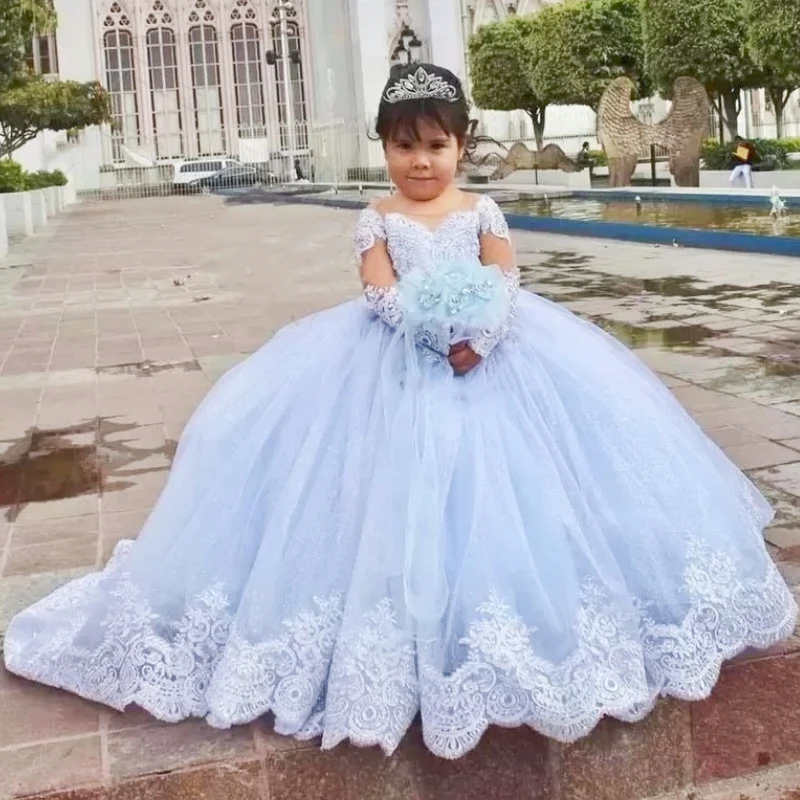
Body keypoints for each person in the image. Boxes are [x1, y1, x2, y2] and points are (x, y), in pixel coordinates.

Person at [4, 63, 796, 760]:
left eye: (436, 145)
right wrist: (423, 324)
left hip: (494, 355)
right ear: (385, 146)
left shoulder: (483, 210)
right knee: (381, 501)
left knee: (526, 497)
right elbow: (378, 288)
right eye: (405, 145)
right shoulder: (376, 216)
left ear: (463, 145)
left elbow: (506, 278)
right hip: (392, 363)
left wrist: (480, 331)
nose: (421, 162)